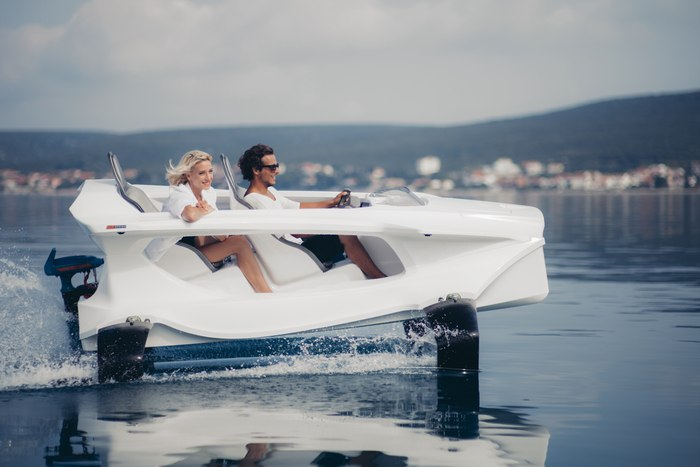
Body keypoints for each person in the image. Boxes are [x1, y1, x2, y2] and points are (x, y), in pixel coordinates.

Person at [238, 144, 386, 279]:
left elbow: (298, 207)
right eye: (272, 167)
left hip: (297, 247)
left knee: (340, 231)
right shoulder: (256, 201)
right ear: (256, 170)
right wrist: (330, 225)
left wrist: (332, 203)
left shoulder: (269, 193)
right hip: (295, 256)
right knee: (345, 234)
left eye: (276, 166)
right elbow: (295, 232)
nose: (277, 171)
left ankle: (364, 273)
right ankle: (378, 277)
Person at [157, 150, 272, 293]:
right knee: (240, 244)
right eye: (202, 173)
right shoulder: (179, 194)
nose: (208, 177)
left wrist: (206, 212)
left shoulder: (208, 193)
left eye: (210, 171)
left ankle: (262, 286)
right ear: (188, 175)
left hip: (195, 247)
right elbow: (190, 215)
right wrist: (205, 210)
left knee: (240, 237)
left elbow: (220, 235)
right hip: (177, 256)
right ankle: (265, 292)